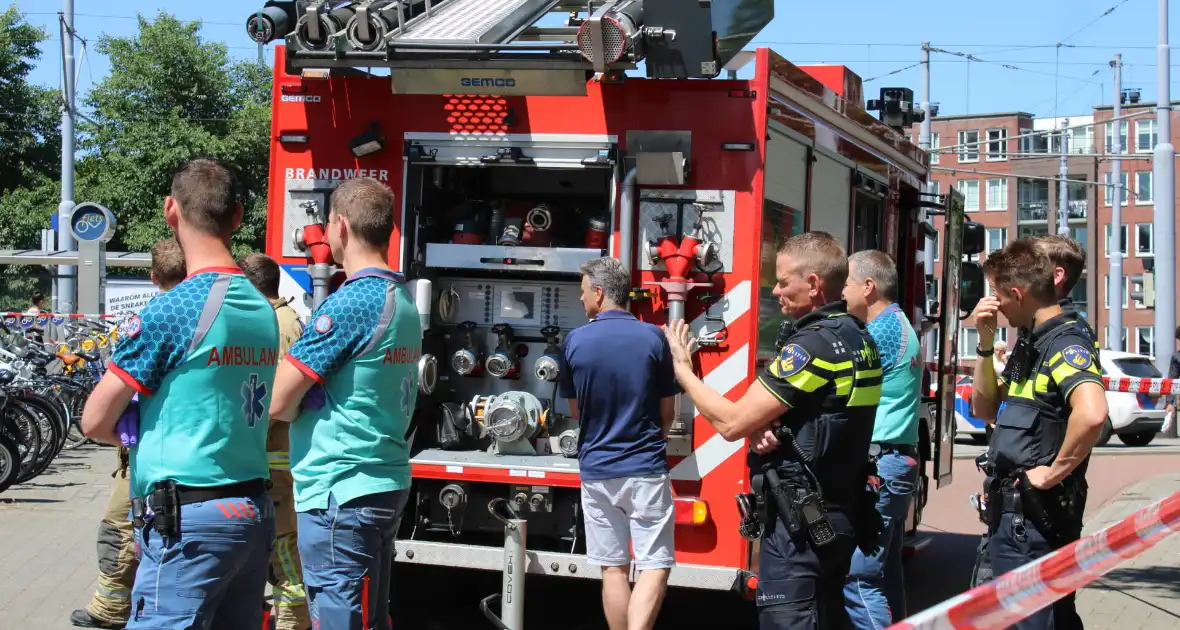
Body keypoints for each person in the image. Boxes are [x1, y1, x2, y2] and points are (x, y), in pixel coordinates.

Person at [80, 158, 279, 630]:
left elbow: (93, 421)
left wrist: (134, 433)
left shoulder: (172, 309)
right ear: (237, 216)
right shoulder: (261, 306)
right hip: (251, 511)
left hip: (190, 521)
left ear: (171, 211)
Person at [664, 232, 882, 630]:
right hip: (838, 514)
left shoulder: (813, 346)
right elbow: (829, 416)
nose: (776, 291)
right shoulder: (859, 338)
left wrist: (683, 370)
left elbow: (731, 422)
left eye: (783, 281)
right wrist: (778, 430)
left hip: (801, 527)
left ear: (814, 284)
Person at [268, 177, 421, 630]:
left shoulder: (353, 302)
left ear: (340, 225)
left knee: (337, 617)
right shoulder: (402, 298)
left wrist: (300, 401)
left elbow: (278, 399)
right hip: (381, 478)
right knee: (370, 617)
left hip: (340, 489)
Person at [968, 239, 1108, 630]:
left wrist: (1053, 472)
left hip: (1034, 520)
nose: (994, 304)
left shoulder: (1065, 342)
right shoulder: (1031, 342)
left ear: (1018, 293)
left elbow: (1093, 413)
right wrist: (983, 344)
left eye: (997, 295)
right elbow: (984, 409)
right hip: (1014, 518)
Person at [71, 238, 186, 630]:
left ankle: (111, 608)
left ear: (153, 277)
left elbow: (108, 404)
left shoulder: (152, 318)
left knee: (119, 526)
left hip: (142, 452)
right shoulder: (214, 314)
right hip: (192, 459)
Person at [559, 256, 679, 630]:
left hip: (596, 471)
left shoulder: (575, 341)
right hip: (644, 467)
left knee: (613, 568)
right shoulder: (653, 338)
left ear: (598, 291)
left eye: (582, 292)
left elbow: (578, 410)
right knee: (654, 565)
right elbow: (667, 415)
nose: (581, 300)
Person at [840, 250, 921, 629]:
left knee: (858, 579)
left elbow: (838, 386)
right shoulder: (898, 324)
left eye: (847, 282)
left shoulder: (880, 332)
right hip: (893, 462)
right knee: (886, 575)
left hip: (880, 464)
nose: (841, 292)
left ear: (868, 287)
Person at [239, 252, 310, 630]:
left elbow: (271, 398)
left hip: (273, 454)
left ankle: (293, 620)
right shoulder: (288, 318)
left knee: (283, 540)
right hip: (280, 453)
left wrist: (246, 446)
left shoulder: (275, 324)